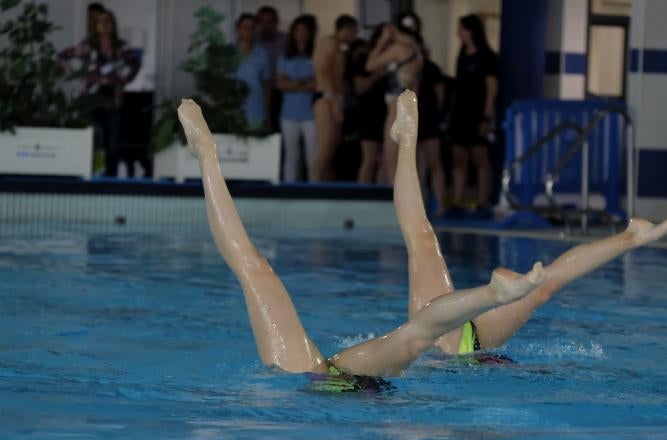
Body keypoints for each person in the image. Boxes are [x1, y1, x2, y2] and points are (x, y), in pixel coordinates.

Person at [175, 96, 547, 381]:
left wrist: (493, 297)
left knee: (255, 268)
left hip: (331, 382)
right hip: (326, 386)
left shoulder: (463, 344)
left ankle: (208, 156)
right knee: (255, 269)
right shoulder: (465, 350)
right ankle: (207, 155)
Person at [390, 92, 667, 356]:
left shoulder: (411, 346)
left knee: (422, 238)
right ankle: (631, 236)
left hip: (441, 342)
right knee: (539, 285)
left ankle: (407, 138)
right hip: (467, 342)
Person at [59, 8, 141, 178]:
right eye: (100, 22)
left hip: (113, 97)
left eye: (107, 21)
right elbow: (63, 56)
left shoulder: (121, 46)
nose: (104, 25)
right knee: (94, 137)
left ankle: (110, 176)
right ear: (94, 25)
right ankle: (91, 172)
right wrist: (77, 75)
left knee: (112, 140)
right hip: (90, 97)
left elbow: (135, 63)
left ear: (113, 24)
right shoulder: (87, 46)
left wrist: (125, 80)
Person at [395, 11, 447, 216]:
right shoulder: (404, 68)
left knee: (433, 162)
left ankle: (441, 203)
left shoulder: (430, 69)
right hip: (413, 118)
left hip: (428, 117)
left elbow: (440, 94)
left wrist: (439, 117)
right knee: (416, 165)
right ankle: (420, 204)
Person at [449, 14, 499, 219]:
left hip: (477, 113)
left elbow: (491, 88)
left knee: (480, 159)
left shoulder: (487, 57)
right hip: (460, 113)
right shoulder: (462, 55)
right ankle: (458, 201)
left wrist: (486, 117)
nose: (458, 33)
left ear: (470, 31)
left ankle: (482, 201)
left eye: (461, 29)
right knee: (458, 158)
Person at [365, 24, 423, 185]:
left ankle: (396, 205)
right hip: (409, 109)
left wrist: (381, 42)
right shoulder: (417, 51)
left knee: (391, 162)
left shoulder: (399, 49)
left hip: (397, 108)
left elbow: (369, 65)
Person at [310, 15, 358, 182]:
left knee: (332, 146)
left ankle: (323, 182)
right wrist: (334, 103)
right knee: (325, 145)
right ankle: (313, 184)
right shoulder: (328, 43)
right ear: (346, 29)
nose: (355, 35)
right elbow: (325, 73)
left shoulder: (341, 47)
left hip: (335, 98)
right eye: (354, 31)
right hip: (326, 98)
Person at [276, 15, 316, 182]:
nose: (301, 34)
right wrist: (304, 83)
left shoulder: (315, 55)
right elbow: (280, 83)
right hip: (289, 113)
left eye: (304, 30)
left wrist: (293, 83)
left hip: (312, 114)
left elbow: (319, 84)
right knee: (291, 156)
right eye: (297, 30)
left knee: (312, 155)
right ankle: (290, 188)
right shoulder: (284, 57)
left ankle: (315, 188)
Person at [350, 32, 387, 184]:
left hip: (388, 112)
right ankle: (361, 195)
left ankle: (380, 195)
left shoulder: (396, 60)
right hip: (369, 113)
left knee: (386, 161)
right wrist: (376, 76)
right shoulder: (364, 60)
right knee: (370, 160)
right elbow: (359, 88)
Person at [234, 13, 271, 130]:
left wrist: (267, 113)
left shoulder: (262, 54)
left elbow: (267, 85)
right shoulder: (228, 53)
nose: (248, 32)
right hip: (234, 109)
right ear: (238, 29)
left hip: (256, 109)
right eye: (245, 27)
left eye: (252, 28)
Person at [257, 6, 287, 131]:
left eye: (269, 22)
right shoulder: (254, 40)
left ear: (276, 22)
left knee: (278, 126)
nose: (266, 26)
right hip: (258, 91)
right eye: (262, 22)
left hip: (280, 91)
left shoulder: (285, 41)